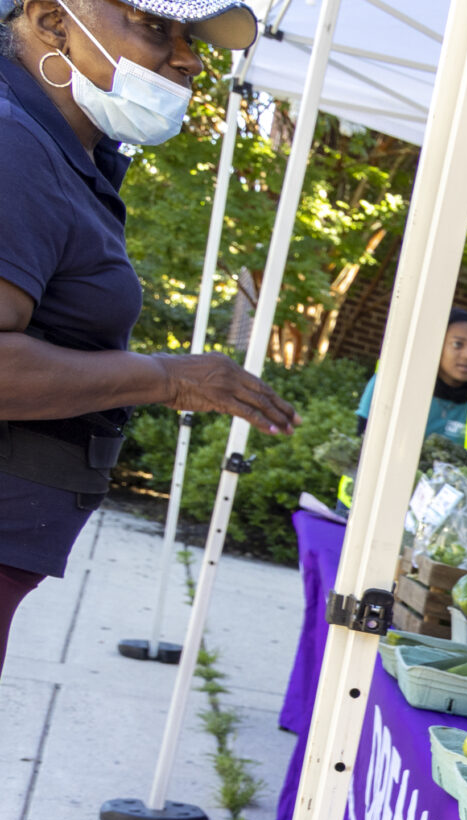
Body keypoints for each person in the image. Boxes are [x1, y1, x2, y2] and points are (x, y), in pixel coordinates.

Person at [0, 0, 291, 672]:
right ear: (51, 21)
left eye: (192, 39)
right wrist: (167, 377)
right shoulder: (14, 144)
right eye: (158, 29)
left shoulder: (65, 151)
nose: (188, 59)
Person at [349, 308, 467, 505]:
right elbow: (362, 445)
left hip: (443, 518)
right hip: (368, 502)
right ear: (435, 344)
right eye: (458, 345)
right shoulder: (394, 379)